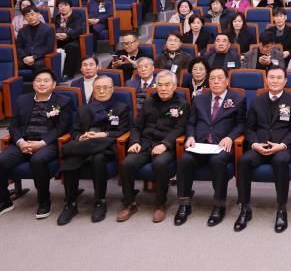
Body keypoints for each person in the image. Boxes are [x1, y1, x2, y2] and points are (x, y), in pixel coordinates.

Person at [0, 69, 72, 220]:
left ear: (53, 85)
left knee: (37, 160)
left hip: (47, 144)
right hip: (23, 142)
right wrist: (20, 142)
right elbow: (14, 126)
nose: (42, 84)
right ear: (33, 84)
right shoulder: (22, 100)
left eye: (46, 81)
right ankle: (3, 202)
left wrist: (41, 143)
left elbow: (61, 128)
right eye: (38, 80)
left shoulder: (63, 102)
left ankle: (44, 201)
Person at [174, 67, 246, 226]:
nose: (216, 81)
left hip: (221, 145)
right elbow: (191, 123)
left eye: (220, 78)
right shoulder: (199, 99)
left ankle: (219, 205)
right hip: (200, 144)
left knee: (217, 161)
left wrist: (230, 137)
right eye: (212, 78)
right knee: (185, 160)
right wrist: (190, 136)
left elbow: (241, 124)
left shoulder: (238, 99)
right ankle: (184, 204)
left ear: (227, 81)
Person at [56, 75, 130, 225]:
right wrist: (81, 137)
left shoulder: (121, 108)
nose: (101, 91)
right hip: (85, 144)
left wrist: (102, 134)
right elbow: (75, 131)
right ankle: (70, 203)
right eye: (98, 88)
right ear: (93, 90)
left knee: (98, 158)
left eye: (105, 88)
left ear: (112, 89)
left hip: (106, 146)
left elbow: (123, 131)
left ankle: (100, 201)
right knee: (71, 160)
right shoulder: (83, 109)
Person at [234, 67, 291, 233]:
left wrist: (282, 145)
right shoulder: (257, 101)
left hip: (281, 147)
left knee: (280, 161)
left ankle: (281, 209)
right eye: (271, 77)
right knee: (243, 161)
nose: (275, 81)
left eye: (279, 78)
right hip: (260, 146)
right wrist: (255, 144)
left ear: (285, 81)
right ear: (266, 80)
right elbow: (249, 128)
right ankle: (245, 208)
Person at [117, 71, 187, 223]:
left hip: (165, 145)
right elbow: (137, 126)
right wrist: (135, 142)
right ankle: (129, 203)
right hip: (145, 142)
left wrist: (165, 144)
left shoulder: (182, 104)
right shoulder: (149, 101)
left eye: (167, 85)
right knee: (127, 164)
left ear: (174, 86)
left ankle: (160, 204)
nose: (163, 88)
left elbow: (180, 129)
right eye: (160, 85)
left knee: (160, 163)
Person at [16, 6, 55, 78]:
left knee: (38, 65)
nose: (30, 17)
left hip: (40, 58)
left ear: (38, 14)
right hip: (25, 58)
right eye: (27, 15)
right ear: (24, 18)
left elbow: (49, 47)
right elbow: (19, 47)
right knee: (13, 65)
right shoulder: (22, 31)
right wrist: (24, 57)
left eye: (32, 14)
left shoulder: (48, 29)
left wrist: (34, 57)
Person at [52, 0, 83, 80]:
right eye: (61, 6)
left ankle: (68, 73)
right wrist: (56, 34)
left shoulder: (77, 16)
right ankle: (53, 73)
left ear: (70, 6)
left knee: (72, 47)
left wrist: (67, 35)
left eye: (65, 5)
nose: (63, 8)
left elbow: (79, 29)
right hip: (58, 39)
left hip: (73, 39)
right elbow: (53, 28)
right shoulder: (57, 17)